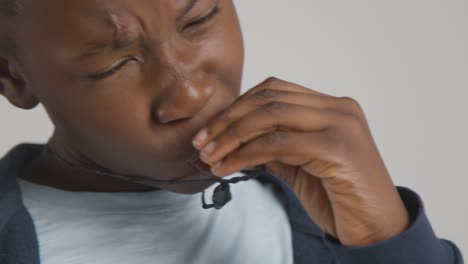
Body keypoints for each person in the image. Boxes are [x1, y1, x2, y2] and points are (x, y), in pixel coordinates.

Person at [0, 0, 464, 263]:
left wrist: (386, 239)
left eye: (199, 20)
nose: (190, 94)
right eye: (115, 63)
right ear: (14, 77)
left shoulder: (314, 207)